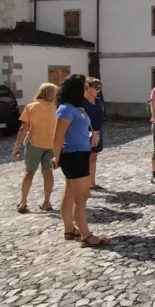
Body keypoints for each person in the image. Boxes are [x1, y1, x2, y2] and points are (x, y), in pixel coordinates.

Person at [51, 74, 109, 248]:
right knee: (82, 196)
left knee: (70, 193)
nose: (88, 89)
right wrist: (57, 158)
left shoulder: (76, 107)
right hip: (73, 155)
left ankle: (70, 229)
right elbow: (58, 136)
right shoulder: (66, 109)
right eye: (85, 87)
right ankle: (86, 236)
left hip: (80, 153)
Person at [12, 83, 58, 213]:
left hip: (34, 144)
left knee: (29, 172)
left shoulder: (31, 107)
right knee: (48, 173)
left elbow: (23, 129)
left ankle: (23, 202)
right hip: (51, 145)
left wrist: (17, 146)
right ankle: (47, 202)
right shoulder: (57, 108)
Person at [83, 77, 104, 190]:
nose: (98, 90)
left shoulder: (98, 101)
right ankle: (83, 183)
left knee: (93, 157)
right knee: (84, 158)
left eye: (100, 88)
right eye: (96, 88)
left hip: (97, 132)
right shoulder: (82, 103)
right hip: (85, 133)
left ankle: (92, 182)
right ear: (88, 88)